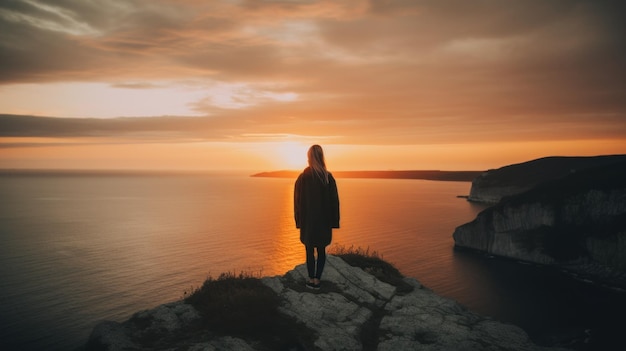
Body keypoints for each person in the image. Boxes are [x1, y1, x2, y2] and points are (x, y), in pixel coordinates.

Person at [294, 144, 340, 290]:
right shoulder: (328, 177)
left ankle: (311, 279)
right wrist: (334, 222)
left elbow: (297, 201)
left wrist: (299, 221)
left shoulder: (302, 178)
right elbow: (335, 202)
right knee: (321, 251)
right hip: (323, 222)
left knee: (309, 250)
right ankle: (317, 280)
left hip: (308, 222)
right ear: (321, 157)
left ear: (309, 158)